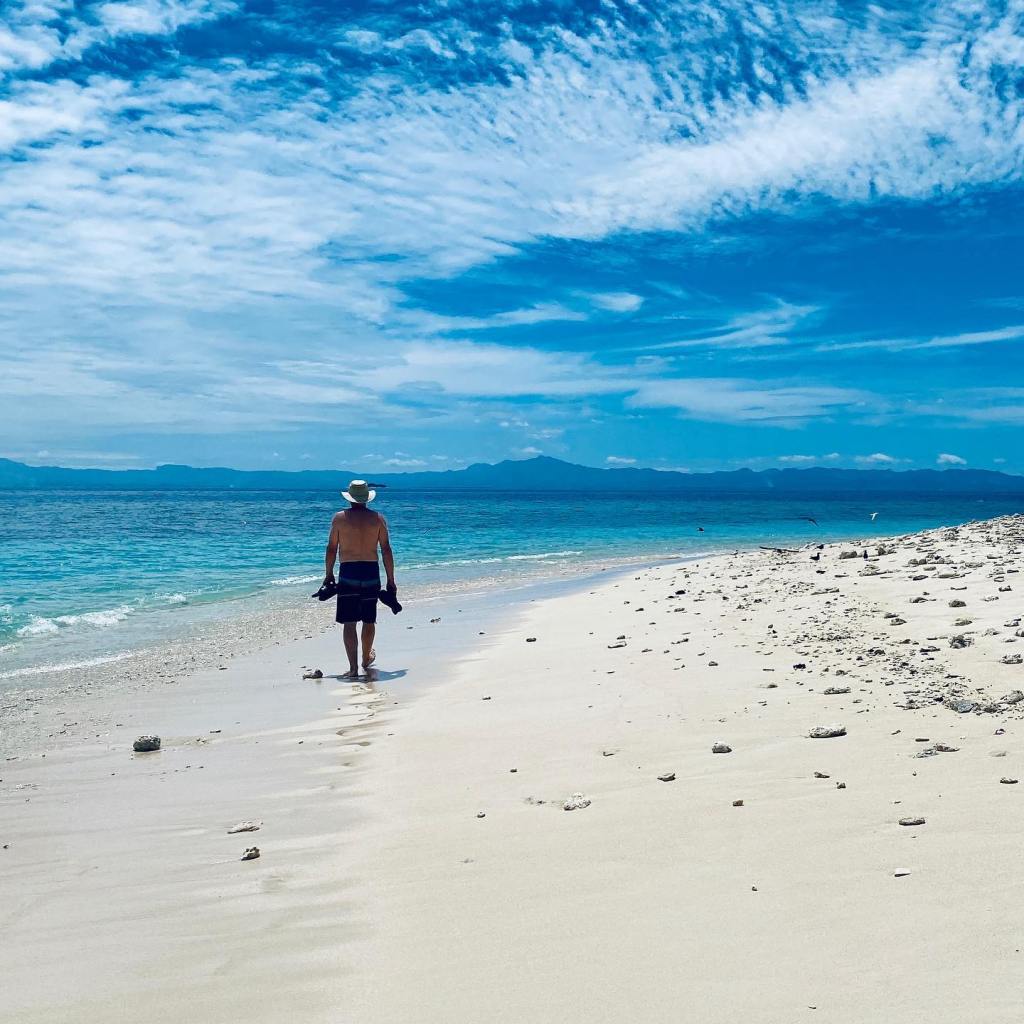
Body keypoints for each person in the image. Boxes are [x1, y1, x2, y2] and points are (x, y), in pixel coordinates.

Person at [323, 480, 396, 678]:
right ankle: (365, 658)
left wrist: (328, 573)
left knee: (349, 622)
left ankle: (354, 668)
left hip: (349, 571)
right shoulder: (378, 519)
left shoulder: (339, 519)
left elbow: (332, 548)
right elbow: (386, 550)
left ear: (350, 498)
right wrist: (391, 579)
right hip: (371, 571)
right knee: (369, 619)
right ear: (366, 499)